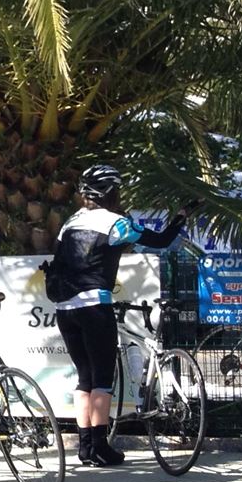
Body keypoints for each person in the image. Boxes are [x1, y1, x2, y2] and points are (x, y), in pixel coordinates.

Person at [48, 165, 188, 466]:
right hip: (94, 306)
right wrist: (180, 217)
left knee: (84, 378)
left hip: (64, 308)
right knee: (101, 378)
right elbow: (161, 241)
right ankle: (100, 446)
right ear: (111, 192)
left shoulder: (70, 222)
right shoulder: (116, 223)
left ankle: (85, 447)